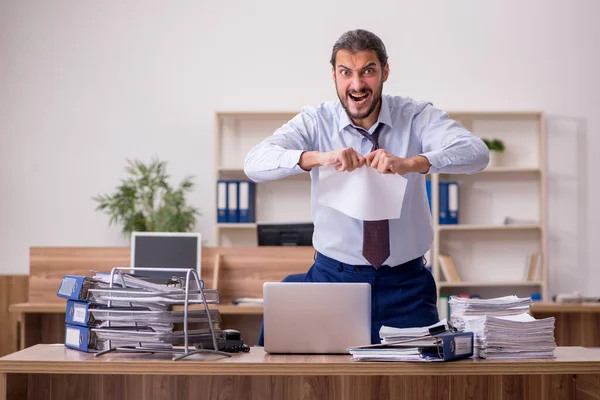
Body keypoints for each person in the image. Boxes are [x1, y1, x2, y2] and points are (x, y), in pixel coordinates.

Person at [244, 29, 489, 345]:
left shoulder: (415, 116)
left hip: (407, 286)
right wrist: (319, 157)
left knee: (419, 385)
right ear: (334, 74)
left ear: (385, 71)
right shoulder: (316, 121)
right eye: (346, 72)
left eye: (368, 71)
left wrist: (410, 163)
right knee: (312, 381)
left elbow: (477, 153)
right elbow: (254, 163)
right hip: (332, 281)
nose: (357, 85)